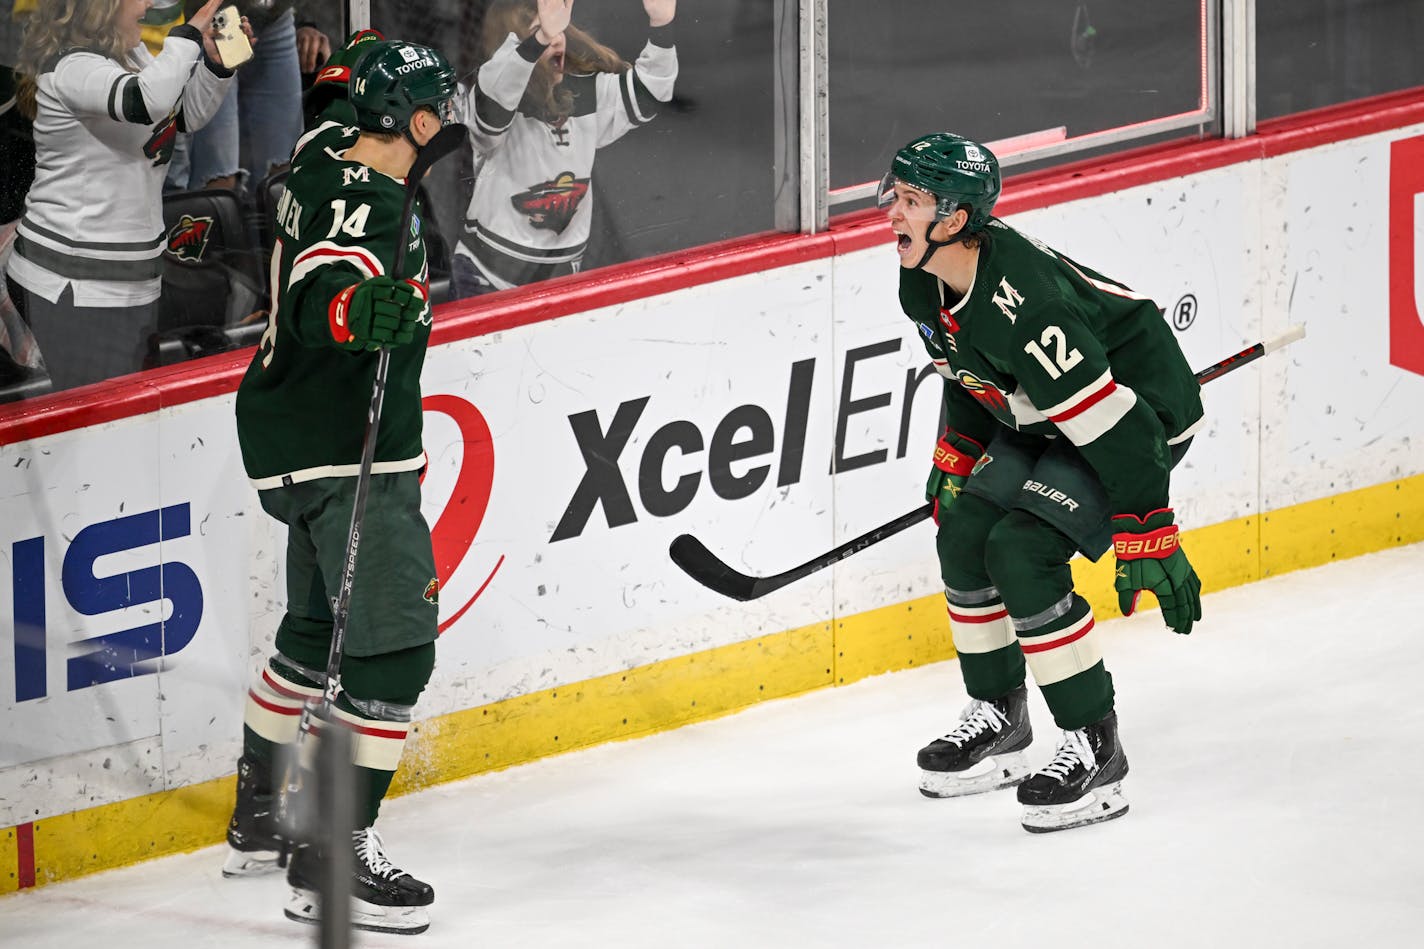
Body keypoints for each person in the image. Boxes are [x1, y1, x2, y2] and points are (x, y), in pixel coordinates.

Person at [881, 132, 1204, 833]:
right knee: (967, 532)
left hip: (1136, 417)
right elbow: (968, 373)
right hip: (1042, 414)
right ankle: (1000, 717)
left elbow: (1124, 436)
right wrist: (958, 453)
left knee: (1023, 551)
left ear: (956, 218)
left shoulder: (1028, 309)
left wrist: (1148, 530)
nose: (893, 215)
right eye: (896, 197)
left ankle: (1096, 746)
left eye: (911, 201)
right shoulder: (921, 275)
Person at [225, 37, 459, 936]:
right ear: (423, 123)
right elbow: (329, 281)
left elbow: (333, 110)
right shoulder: (372, 200)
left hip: (293, 442)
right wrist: (355, 314)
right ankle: (328, 852)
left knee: (314, 634)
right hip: (351, 461)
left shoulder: (329, 146)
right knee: (394, 653)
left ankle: (259, 816)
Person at [3, 0, 247, 392]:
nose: (149, 4)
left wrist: (216, 67)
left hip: (124, 280)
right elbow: (144, 100)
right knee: (102, 416)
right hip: (74, 281)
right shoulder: (71, 67)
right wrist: (185, 37)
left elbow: (182, 115)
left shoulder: (129, 53)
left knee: (124, 407)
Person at [450, 0, 677, 296]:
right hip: (484, 278)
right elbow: (495, 97)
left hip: (560, 281)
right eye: (540, 31)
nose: (555, 36)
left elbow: (650, 92)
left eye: (557, 28)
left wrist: (662, 25)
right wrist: (540, 40)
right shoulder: (491, 101)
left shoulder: (584, 93)